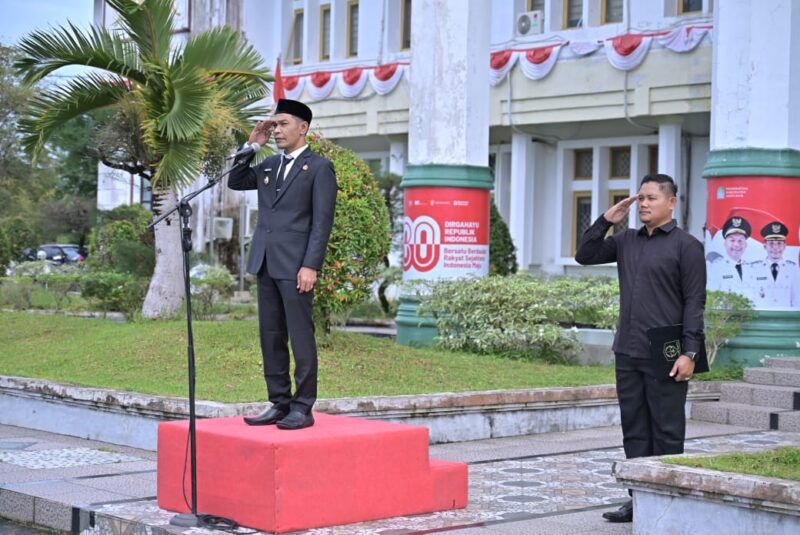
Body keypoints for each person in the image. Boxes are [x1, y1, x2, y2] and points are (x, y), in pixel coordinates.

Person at [575, 174, 706, 523]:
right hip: (629, 350)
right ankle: (640, 499)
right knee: (634, 428)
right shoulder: (626, 241)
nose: (644, 204)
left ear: (671, 202)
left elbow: (695, 301)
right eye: (640, 198)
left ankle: (669, 501)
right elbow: (584, 255)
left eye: (651, 198)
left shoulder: (687, 246)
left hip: (667, 353)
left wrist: (689, 352)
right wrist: (606, 220)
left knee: (666, 429)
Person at [228, 99, 337, 430]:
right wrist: (251, 145)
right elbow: (236, 180)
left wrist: (311, 265)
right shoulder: (269, 165)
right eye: (273, 125)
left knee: (300, 336)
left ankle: (302, 407)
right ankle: (279, 402)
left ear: (303, 128)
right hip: (265, 261)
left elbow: (322, 222)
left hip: (296, 267)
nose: (276, 130)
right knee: (270, 335)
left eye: (283, 124)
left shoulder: (319, 168)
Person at [748, 221, 800, 309]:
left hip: (785, 318)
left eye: (779, 243)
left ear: (784, 246)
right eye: (771, 243)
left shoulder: (793, 269)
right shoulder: (754, 268)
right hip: (761, 318)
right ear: (764, 246)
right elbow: (750, 297)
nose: (775, 247)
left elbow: (797, 300)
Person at [707, 216, 753, 300]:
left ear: (746, 245)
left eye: (740, 241)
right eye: (732, 240)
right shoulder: (715, 268)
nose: (736, 245)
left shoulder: (752, 269)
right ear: (725, 244)